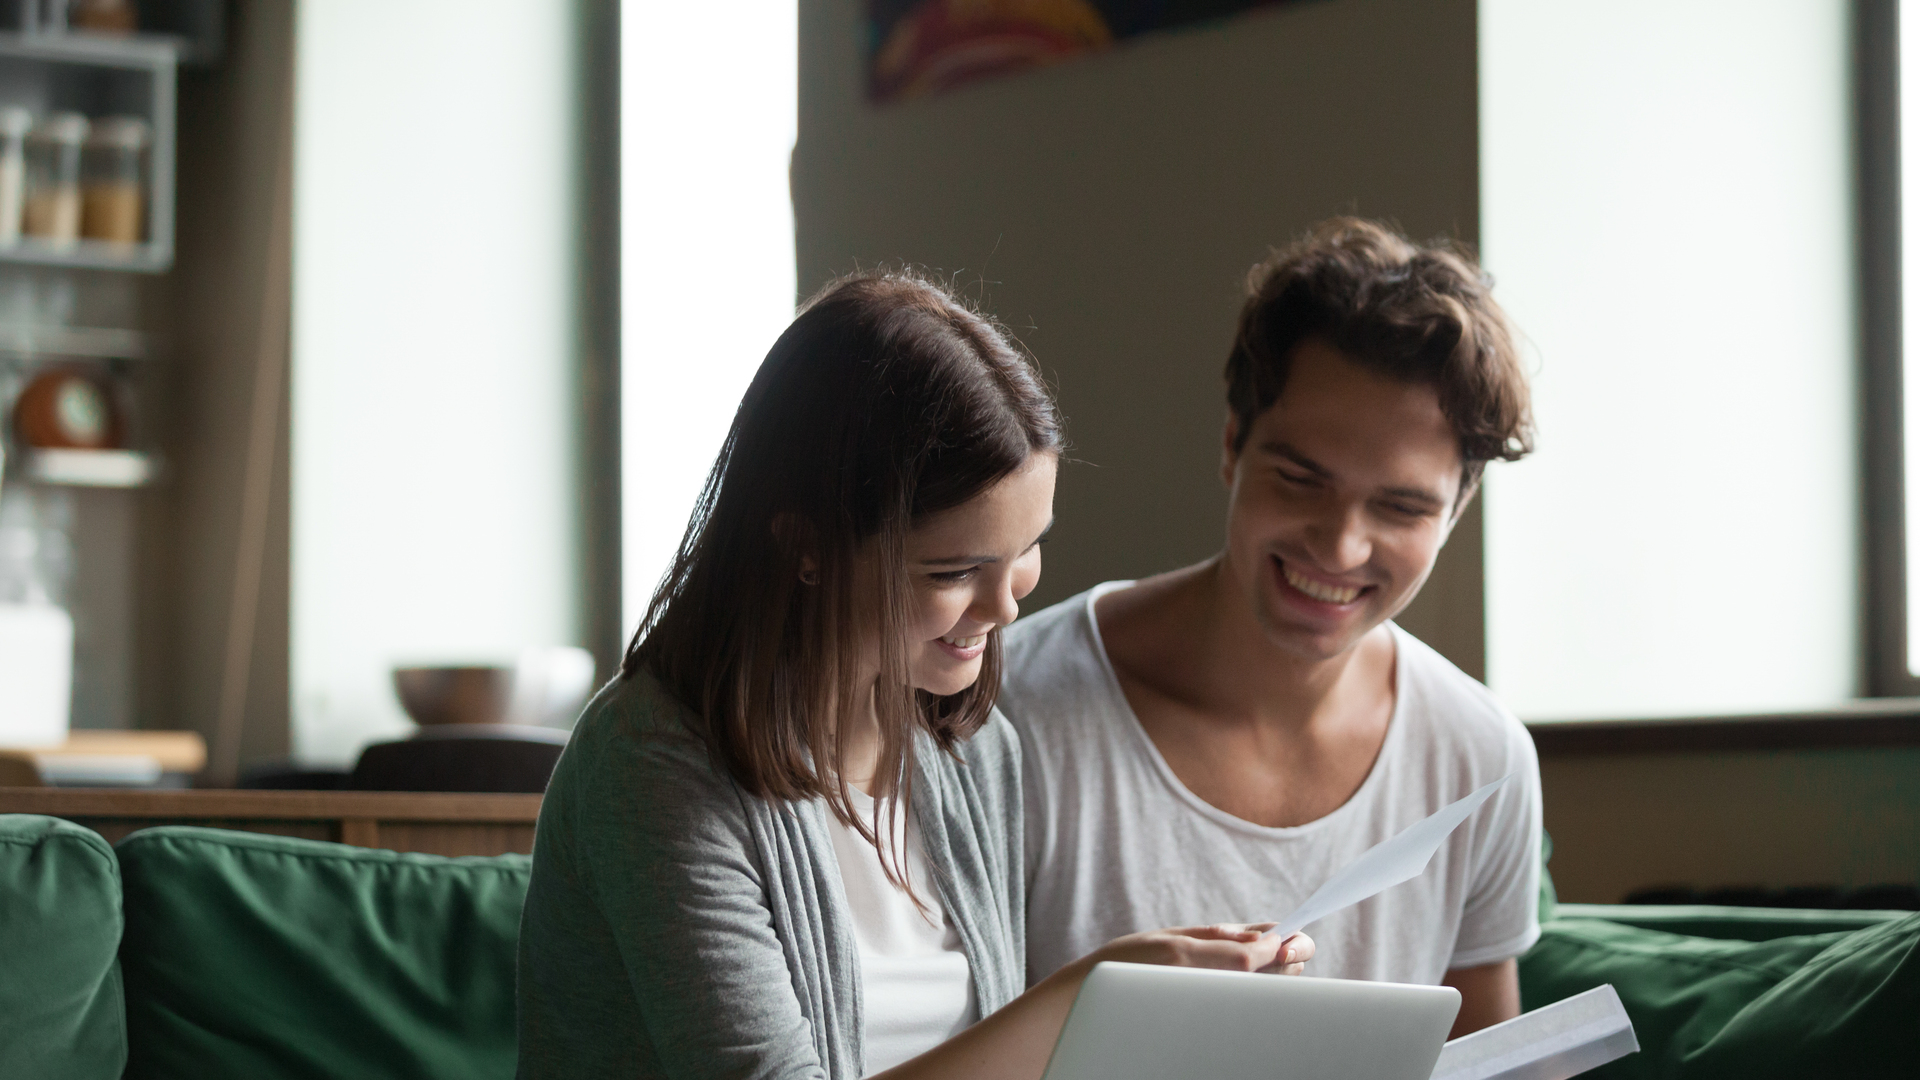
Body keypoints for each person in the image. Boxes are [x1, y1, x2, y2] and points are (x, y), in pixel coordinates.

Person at [516, 271, 1313, 1080]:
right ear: (807, 549)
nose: (1004, 607)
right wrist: (1083, 999)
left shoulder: (972, 754)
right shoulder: (651, 766)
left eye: (1027, 550)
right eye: (955, 570)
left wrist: (1152, 1017)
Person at [999, 218, 1542, 1038]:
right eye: (1299, 479)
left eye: (1400, 507)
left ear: (1456, 511)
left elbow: (1489, 1060)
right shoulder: (1007, 708)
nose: (1341, 544)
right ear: (1231, 446)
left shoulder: (1480, 756)